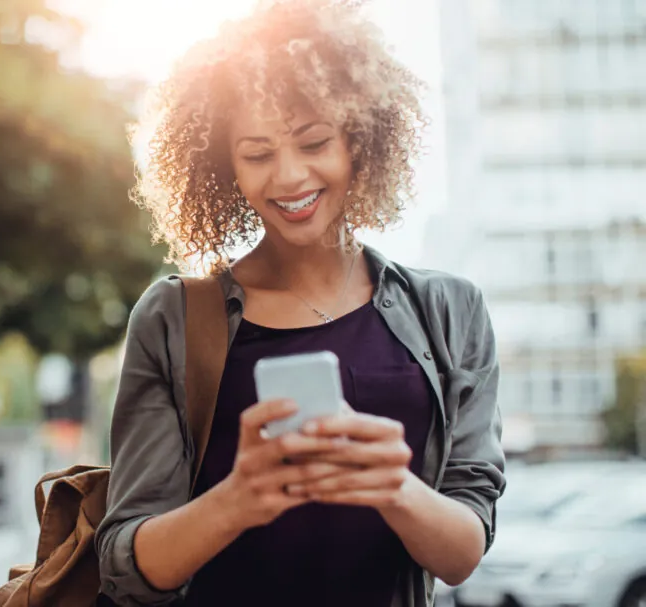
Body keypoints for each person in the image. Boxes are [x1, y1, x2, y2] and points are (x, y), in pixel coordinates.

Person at [95, 0, 506, 605]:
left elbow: (463, 553)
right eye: (257, 154)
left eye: (314, 142)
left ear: (360, 139)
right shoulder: (174, 319)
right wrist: (239, 499)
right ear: (223, 166)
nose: (288, 178)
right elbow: (126, 565)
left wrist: (394, 487)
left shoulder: (450, 311)